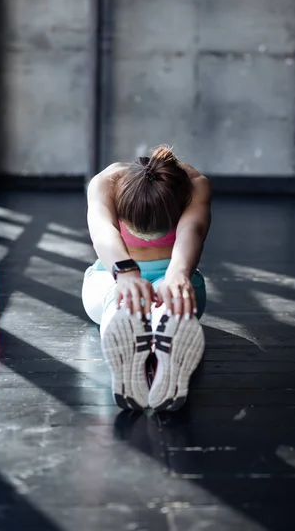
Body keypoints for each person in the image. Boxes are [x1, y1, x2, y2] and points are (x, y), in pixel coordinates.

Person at [82, 146, 212, 412]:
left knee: (175, 300)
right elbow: (101, 231)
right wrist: (126, 275)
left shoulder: (195, 186)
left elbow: (193, 231)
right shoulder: (104, 183)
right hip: (113, 273)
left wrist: (177, 276)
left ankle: (168, 345)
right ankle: (130, 331)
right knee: (117, 297)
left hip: (175, 272)